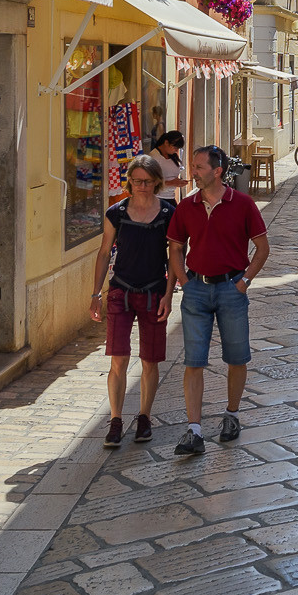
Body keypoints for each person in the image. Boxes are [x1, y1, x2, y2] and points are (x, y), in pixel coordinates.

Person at [166, 145, 269, 456]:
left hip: (231, 289)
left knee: (237, 357)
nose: (193, 172)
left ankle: (232, 415)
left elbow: (262, 248)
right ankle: (194, 430)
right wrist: (184, 282)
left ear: (217, 171)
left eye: (199, 167)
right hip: (196, 290)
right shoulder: (187, 206)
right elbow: (175, 248)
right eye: (194, 166)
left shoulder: (243, 204)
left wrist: (244, 282)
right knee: (193, 361)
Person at [93, 157, 173, 447]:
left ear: (157, 182)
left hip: (154, 292)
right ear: (129, 181)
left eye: (148, 181)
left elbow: (176, 255)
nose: (142, 186)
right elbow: (104, 252)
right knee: (118, 359)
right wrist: (95, 294)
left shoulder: (168, 213)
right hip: (121, 292)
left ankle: (144, 418)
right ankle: (115, 420)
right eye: (137, 181)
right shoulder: (116, 213)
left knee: (150, 361)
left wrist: (169, 294)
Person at [150, 130, 187, 202]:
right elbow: (150, 183)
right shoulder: (154, 157)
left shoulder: (173, 156)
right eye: (175, 147)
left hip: (170, 196)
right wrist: (171, 183)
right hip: (158, 198)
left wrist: (178, 182)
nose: (176, 150)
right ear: (166, 143)